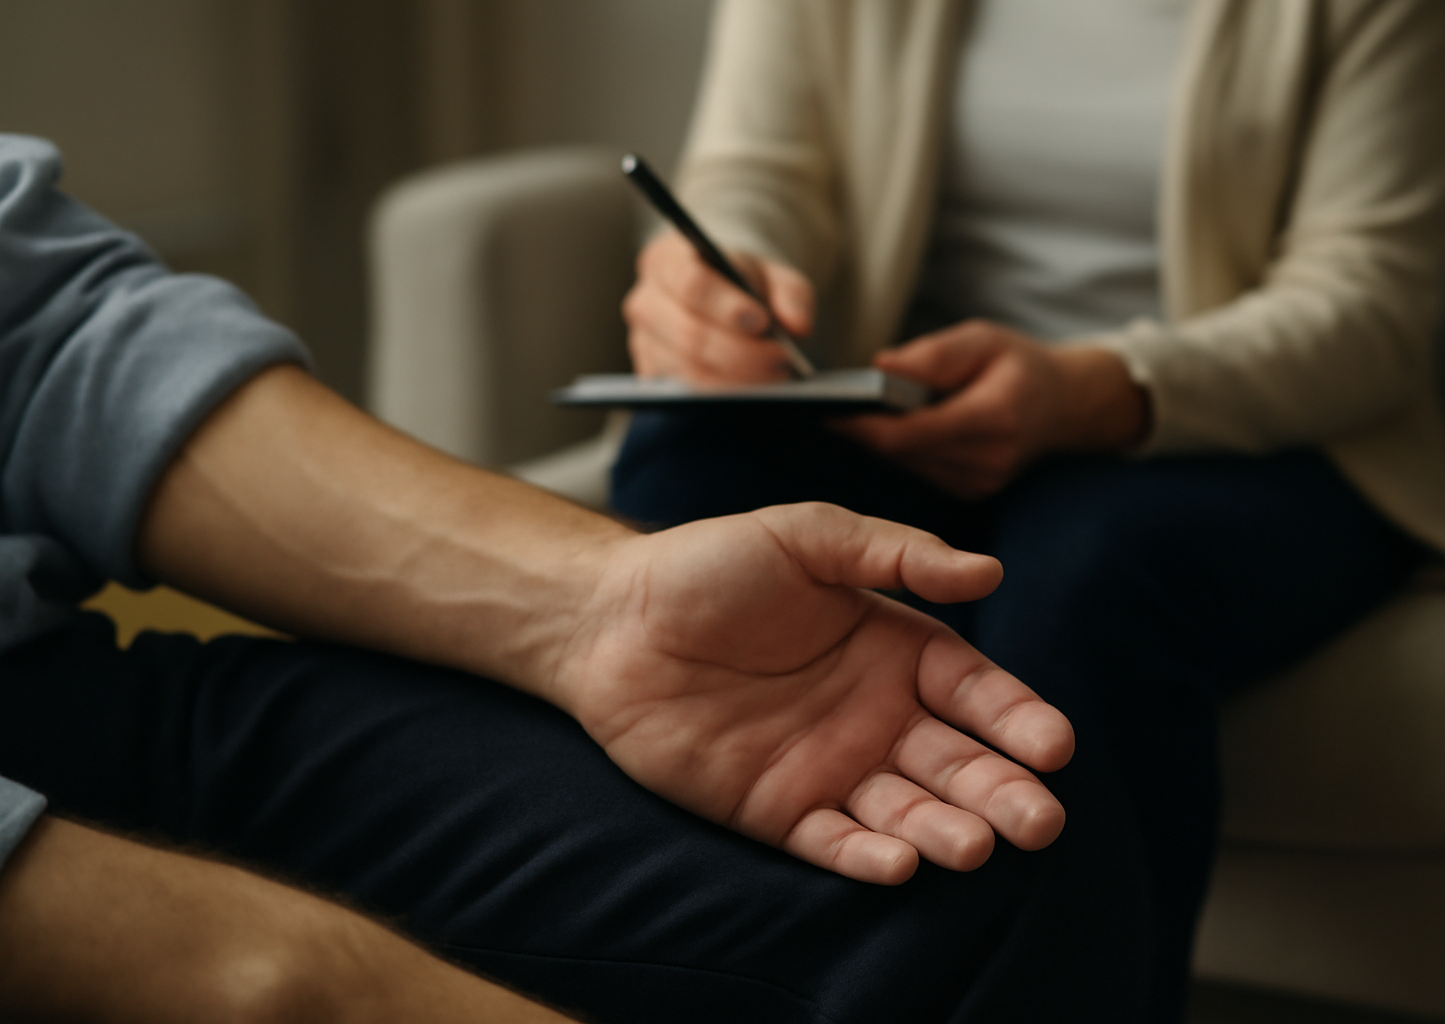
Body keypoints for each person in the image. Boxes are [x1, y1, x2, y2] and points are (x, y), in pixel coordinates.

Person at [0, 132, 1161, 1023]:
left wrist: (591, 602)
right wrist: (307, 980)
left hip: (43, 672)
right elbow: (279, 986)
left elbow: (46, 336)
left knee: (994, 873)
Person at [610, 2, 1445, 1019]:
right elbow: (759, 171)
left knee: (1084, 577)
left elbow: (1365, 304)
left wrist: (1096, 392)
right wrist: (728, 281)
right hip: (904, 397)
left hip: (1240, 432)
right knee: (684, 477)